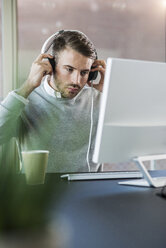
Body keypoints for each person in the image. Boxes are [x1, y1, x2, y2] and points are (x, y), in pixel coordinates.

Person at [0, 30, 106, 172]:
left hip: (89, 189)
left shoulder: (98, 99)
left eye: (84, 72)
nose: (77, 81)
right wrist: (28, 86)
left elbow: (125, 146)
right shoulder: (24, 99)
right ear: (51, 65)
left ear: (92, 73)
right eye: (69, 69)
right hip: (39, 191)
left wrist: (108, 98)